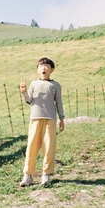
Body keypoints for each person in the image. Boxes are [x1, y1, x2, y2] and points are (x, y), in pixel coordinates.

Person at [19, 57, 65, 187]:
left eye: (46, 66)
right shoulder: (34, 84)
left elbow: (59, 103)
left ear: (52, 69)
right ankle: (27, 175)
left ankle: (46, 175)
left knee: (49, 147)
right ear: (37, 69)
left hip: (50, 119)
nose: (43, 68)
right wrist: (24, 92)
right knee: (31, 147)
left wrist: (61, 119)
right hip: (35, 119)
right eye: (41, 66)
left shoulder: (55, 86)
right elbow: (29, 100)